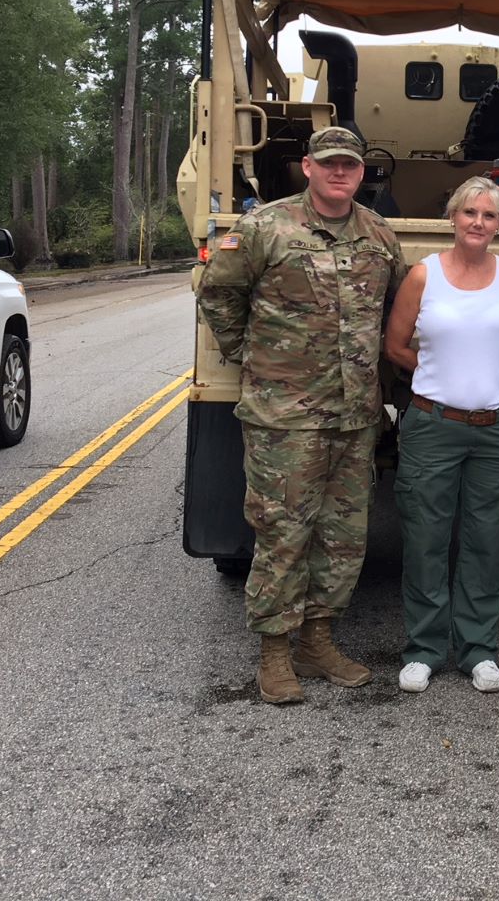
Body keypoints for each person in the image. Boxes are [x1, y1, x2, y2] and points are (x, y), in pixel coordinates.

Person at [198, 126, 407, 705]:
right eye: (329, 163)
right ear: (308, 168)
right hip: (283, 416)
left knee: (343, 536)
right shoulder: (265, 226)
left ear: (362, 174)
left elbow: (397, 307)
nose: (340, 172)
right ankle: (274, 654)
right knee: (283, 533)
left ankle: (319, 641)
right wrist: (251, 357)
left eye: (351, 165)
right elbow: (218, 293)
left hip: (354, 414)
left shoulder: (378, 235)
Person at [383, 177, 499, 696]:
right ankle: (423, 650)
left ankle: (478, 651)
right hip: (433, 426)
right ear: (453, 217)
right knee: (426, 540)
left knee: (486, 543)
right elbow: (396, 343)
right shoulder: (424, 275)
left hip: (494, 429)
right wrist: (435, 371)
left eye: (489, 216)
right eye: (470, 213)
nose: (478, 223)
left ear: (498, 225)